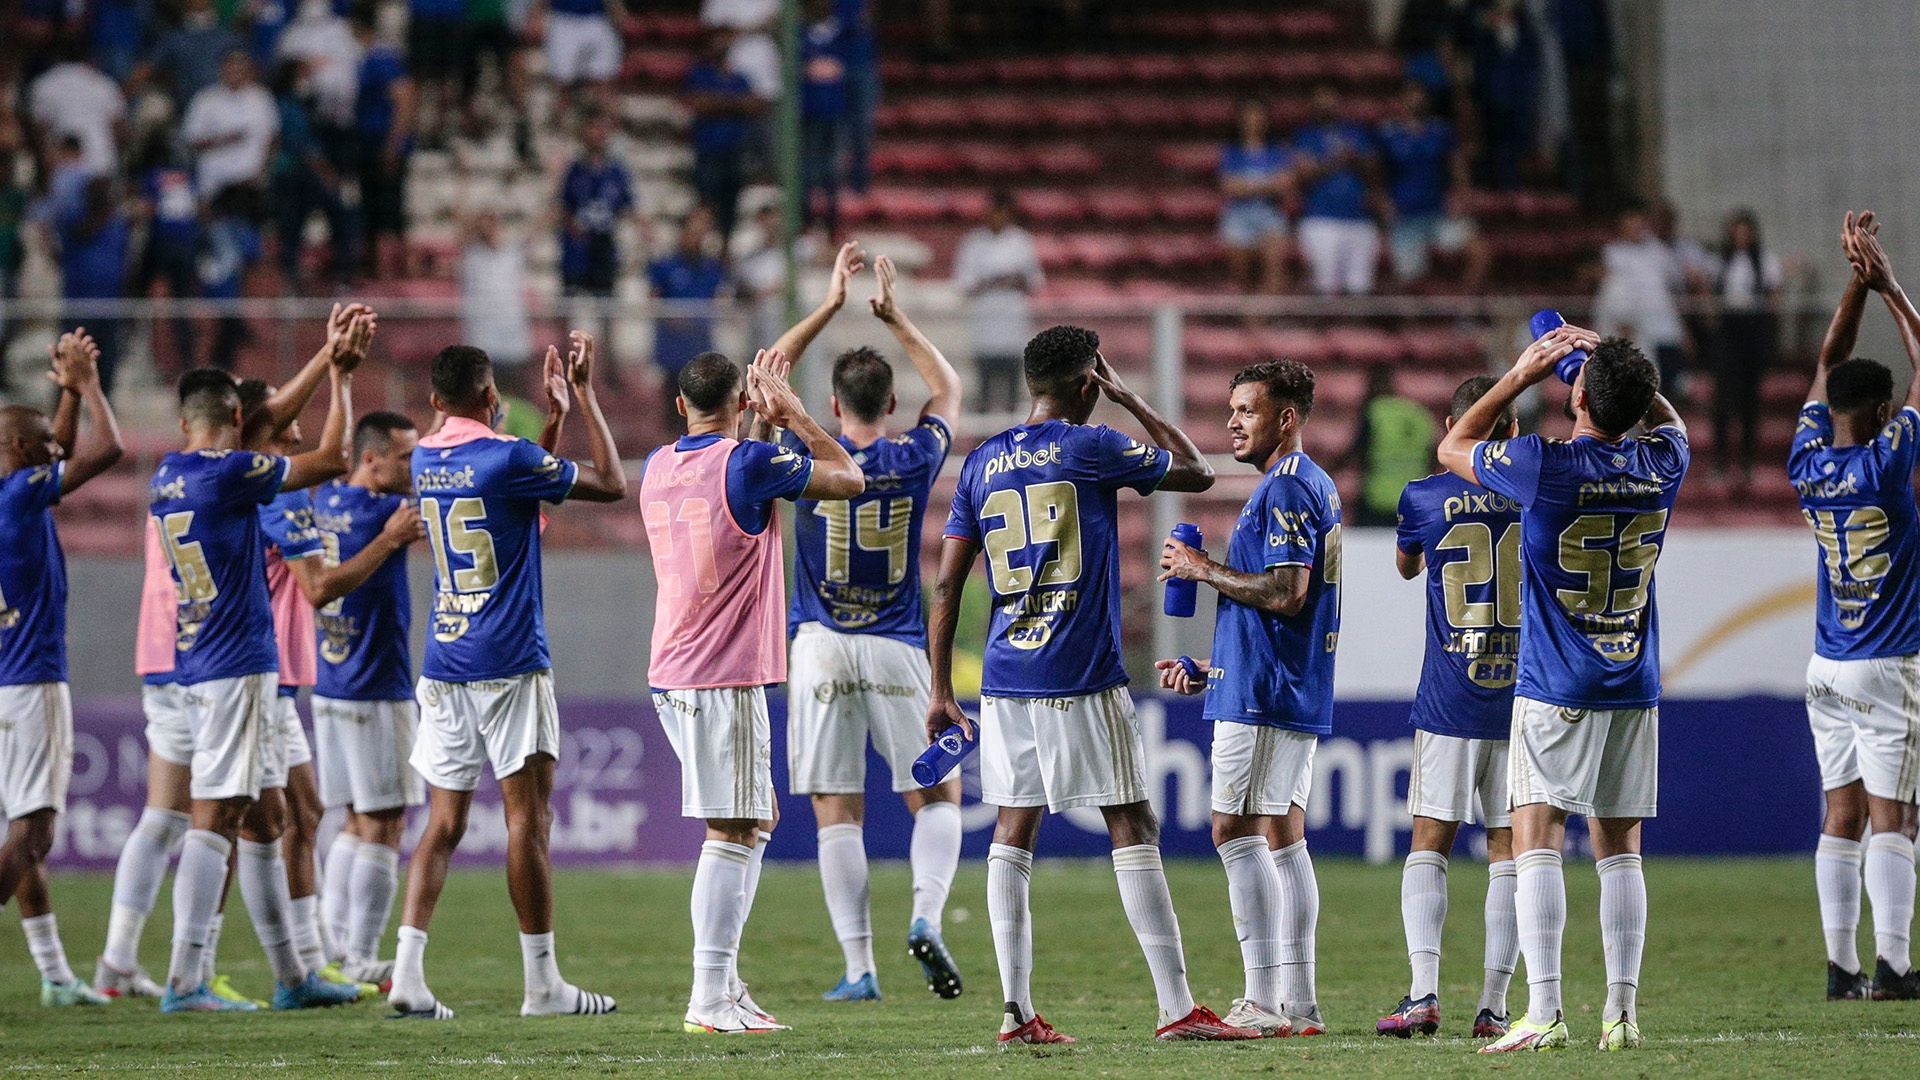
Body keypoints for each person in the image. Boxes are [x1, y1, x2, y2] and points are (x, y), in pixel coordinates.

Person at [926, 325, 1255, 1044]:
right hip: (1080, 675)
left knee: (1013, 831)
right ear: (1087, 384)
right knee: (1132, 823)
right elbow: (1197, 470)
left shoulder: (981, 462)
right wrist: (1131, 396)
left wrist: (940, 690)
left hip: (1007, 677)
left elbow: (947, 584)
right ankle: (1177, 1008)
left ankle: (1016, 1011)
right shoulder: (1092, 445)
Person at [1435, 320, 1687, 1053]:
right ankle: (1622, 1015)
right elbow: (1662, 418)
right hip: (1632, 681)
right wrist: (1622, 371)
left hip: (1557, 685)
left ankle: (1543, 1010)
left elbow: (1452, 447)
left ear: (1574, 392)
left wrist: (1519, 372)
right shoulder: (1663, 460)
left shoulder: (1545, 465)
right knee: (1620, 849)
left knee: (1536, 836)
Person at [386, 334, 627, 1020]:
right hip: (509, 661)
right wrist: (579, 397)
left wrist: (547, 428)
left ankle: (407, 973)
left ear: (435, 401)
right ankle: (543, 984)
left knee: (444, 821)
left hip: (444, 658)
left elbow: (516, 501)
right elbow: (609, 484)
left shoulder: (426, 459)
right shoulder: (508, 455)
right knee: (528, 819)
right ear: (493, 398)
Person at [756, 245, 969, 1002]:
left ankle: (858, 969)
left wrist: (827, 301)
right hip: (897, 647)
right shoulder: (915, 453)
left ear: (839, 405)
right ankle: (926, 917)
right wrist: (894, 315)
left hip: (819, 646)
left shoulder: (804, 454)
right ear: (889, 403)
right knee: (936, 798)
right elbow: (948, 385)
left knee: (834, 808)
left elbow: (767, 371)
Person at [148, 304, 373, 1013]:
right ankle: (185, 979)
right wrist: (339, 377)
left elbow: (266, 421)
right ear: (239, 425)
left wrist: (323, 360)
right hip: (235, 662)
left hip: (203, 658)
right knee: (215, 814)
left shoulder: (169, 473)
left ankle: (294, 974)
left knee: (270, 817)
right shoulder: (231, 475)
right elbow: (332, 459)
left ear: (188, 421)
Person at [641, 346, 865, 1035]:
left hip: (675, 667)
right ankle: (708, 996)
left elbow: (741, 482)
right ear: (741, 404)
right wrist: (794, 414)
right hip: (722, 672)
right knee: (733, 828)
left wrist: (757, 425)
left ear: (681, 406)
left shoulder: (657, 464)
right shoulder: (750, 462)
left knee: (754, 816)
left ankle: (726, 983)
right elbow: (850, 478)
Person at [1152, 358, 1342, 1039]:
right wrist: (1216, 666)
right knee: (1284, 836)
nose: (1231, 419)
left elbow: (1288, 593)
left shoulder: (1289, 487)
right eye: (1230, 408)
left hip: (1269, 694)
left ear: (1286, 418)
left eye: (1248, 409)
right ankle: (1298, 1001)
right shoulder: (1299, 484)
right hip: (1266, 681)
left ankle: (1263, 999)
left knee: (1234, 831)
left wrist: (1201, 570)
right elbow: (1284, 605)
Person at [1792, 212, 1920, 1003]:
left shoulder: (1806, 460)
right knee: (1893, 815)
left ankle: (1840, 966)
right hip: (1890, 662)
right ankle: (1896, 966)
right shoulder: (1887, 462)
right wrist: (1891, 287)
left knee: (1838, 813)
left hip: (1826, 664)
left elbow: (1826, 362)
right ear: (1880, 412)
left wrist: (1853, 283)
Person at [1375, 374, 1523, 1040]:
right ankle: (1493, 1006)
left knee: (1430, 842)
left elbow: (1406, 566)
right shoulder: (1536, 494)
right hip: (1524, 698)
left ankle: (1423, 993)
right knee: (1509, 849)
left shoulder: (1424, 496)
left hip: (1450, 697)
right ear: (1513, 432)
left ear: (1450, 426)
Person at [0, 330, 124, 1006]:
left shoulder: (12, 494)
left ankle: (53, 975)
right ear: (21, 456)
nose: (60, 451)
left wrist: (67, 392)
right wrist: (92, 386)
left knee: (18, 831)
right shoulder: (20, 495)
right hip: (29, 685)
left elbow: (60, 448)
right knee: (35, 832)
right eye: (47, 446)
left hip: (2, 681)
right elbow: (106, 451)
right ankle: (52, 972)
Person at [307, 412, 428, 986]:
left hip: (328, 686)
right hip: (376, 686)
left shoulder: (324, 499)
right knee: (385, 824)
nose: (414, 467)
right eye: (404, 457)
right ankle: (359, 954)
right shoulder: (388, 515)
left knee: (357, 821)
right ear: (371, 458)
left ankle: (335, 946)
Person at [1377, 81, 1487, 290]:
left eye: (1420, 96)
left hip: (1440, 213)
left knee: (1480, 251)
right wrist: (1382, 201)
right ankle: (1413, 321)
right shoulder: (1388, 134)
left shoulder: (1441, 132)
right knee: (1407, 279)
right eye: (1410, 96)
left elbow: (1457, 167)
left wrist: (1461, 196)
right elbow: (1376, 172)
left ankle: (1463, 310)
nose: (1415, 101)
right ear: (1401, 101)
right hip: (1405, 216)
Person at [952, 189, 1043, 415]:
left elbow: (1035, 281)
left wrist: (1012, 280)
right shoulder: (973, 243)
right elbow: (963, 284)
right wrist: (994, 281)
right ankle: (984, 442)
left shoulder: (1021, 241)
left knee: (1012, 393)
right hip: (984, 327)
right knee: (985, 391)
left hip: (1013, 325)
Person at [1292, 85, 1384, 296]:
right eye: (1321, 100)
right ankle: (1325, 329)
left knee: (1360, 289)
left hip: (1359, 219)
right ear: (1313, 105)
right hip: (1321, 220)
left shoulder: (1356, 133)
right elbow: (1305, 173)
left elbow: (1374, 168)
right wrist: (1338, 160)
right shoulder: (1305, 136)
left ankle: (1354, 329)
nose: (1326, 104)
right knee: (1325, 289)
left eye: (1330, 99)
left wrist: (1356, 159)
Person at [1712, 209, 1782, 486]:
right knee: (1723, 398)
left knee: (1749, 399)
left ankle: (1747, 460)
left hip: (1752, 330)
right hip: (1729, 330)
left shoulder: (1764, 261)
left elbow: (1774, 296)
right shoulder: (1721, 261)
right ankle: (1720, 460)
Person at [349, 8, 416, 281]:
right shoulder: (365, 60)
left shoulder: (382, 59)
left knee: (390, 205)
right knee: (371, 205)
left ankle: (399, 264)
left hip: (383, 142)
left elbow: (405, 98)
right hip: (367, 142)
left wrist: (393, 143)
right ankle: (374, 264)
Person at [561, 114, 636, 355]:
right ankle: (565, 354)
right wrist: (575, 229)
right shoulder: (575, 170)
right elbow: (564, 207)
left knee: (607, 306)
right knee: (569, 305)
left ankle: (609, 357)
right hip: (578, 249)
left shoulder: (616, 171)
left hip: (604, 247)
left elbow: (627, 205)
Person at [1593, 203, 1687, 396]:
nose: (1636, 229)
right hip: (1637, 333)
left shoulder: (1658, 251)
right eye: (1631, 225)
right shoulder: (1613, 254)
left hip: (1666, 329)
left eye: (1639, 225)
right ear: (1622, 227)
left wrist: (1683, 328)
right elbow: (1613, 298)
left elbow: (1673, 287)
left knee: (1669, 389)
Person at [53, 178, 134, 395]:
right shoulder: (74, 221)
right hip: (80, 306)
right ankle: (63, 409)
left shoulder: (117, 226)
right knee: (70, 362)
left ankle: (103, 410)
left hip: (110, 306)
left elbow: (123, 266)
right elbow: (74, 234)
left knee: (106, 364)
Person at [684, 30, 761, 247]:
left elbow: (754, 105)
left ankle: (724, 249)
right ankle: (700, 244)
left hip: (734, 152)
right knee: (706, 201)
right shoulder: (700, 74)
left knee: (730, 205)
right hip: (708, 151)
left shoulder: (739, 77)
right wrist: (733, 104)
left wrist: (718, 103)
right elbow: (697, 103)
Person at [1341, 367, 1437, 528]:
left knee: (1364, 546)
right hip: (1413, 501)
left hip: (1378, 500)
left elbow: (1357, 451)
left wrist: (1326, 470)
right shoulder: (1418, 413)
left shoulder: (1375, 411)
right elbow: (1433, 456)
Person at [1217, 98, 1293, 296]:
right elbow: (1229, 187)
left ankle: (1261, 320)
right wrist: (1267, 184)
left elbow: (1285, 184)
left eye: (1258, 115)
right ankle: (1251, 320)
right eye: (1249, 115)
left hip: (1270, 214)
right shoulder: (1232, 152)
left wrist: (1247, 185)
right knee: (1242, 275)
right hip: (1238, 216)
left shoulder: (1277, 151)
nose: (1254, 120)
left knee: (1274, 268)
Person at [647, 207, 728, 387]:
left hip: (701, 348)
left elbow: (719, 301)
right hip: (672, 348)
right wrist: (673, 317)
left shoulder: (711, 267)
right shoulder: (666, 265)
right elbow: (654, 299)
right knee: (673, 400)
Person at [538, 0, 626, 116]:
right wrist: (538, 13)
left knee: (604, 80)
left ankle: (609, 124)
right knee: (563, 82)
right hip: (564, 19)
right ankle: (560, 125)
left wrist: (619, 14)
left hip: (598, 18)